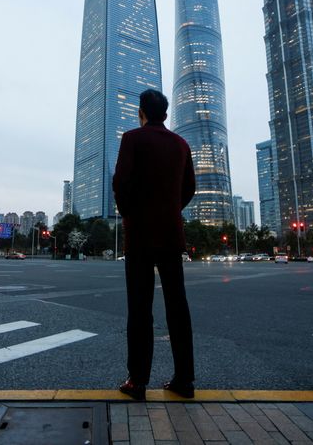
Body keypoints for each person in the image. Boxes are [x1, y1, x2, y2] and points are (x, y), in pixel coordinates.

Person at [112, 89, 196, 400]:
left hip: (140, 235)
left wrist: (130, 213)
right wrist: (171, 210)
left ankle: (138, 382)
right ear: (165, 113)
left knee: (140, 308)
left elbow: (120, 182)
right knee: (178, 307)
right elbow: (189, 187)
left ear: (141, 112)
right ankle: (184, 380)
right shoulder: (181, 144)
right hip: (171, 235)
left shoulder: (132, 138)